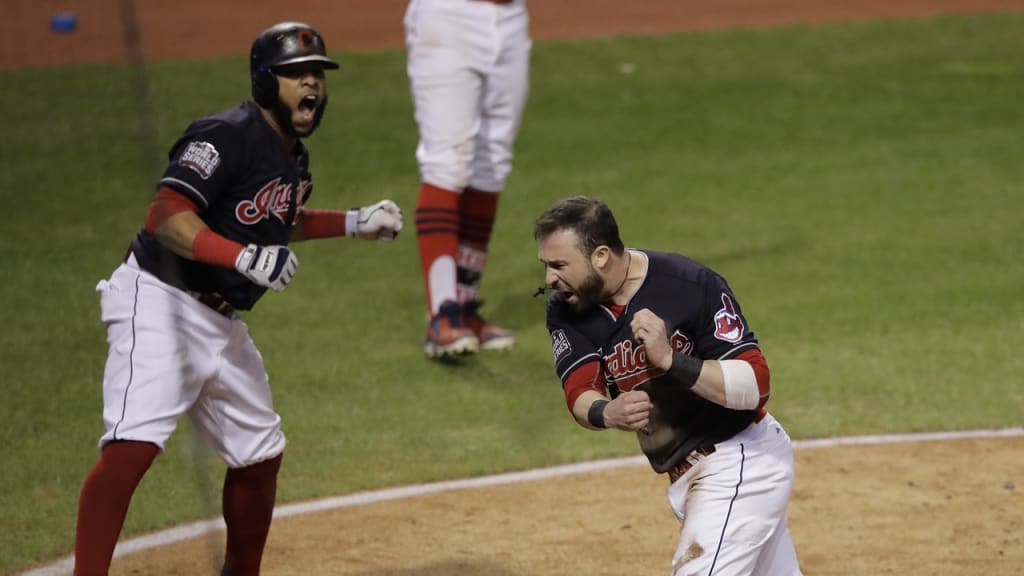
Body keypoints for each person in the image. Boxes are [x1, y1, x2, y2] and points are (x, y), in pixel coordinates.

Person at [73, 22, 403, 576]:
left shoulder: (292, 158)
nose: (313, 86)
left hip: (219, 321)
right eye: (297, 74)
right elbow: (166, 213)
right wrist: (240, 257)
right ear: (264, 80)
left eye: (319, 74)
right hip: (161, 302)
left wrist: (353, 222)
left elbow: (275, 220)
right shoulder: (224, 135)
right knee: (133, 445)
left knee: (259, 451)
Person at [533, 196, 802, 576]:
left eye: (559, 265)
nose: (549, 279)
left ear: (600, 256)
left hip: (740, 461)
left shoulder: (687, 284)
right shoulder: (566, 307)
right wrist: (605, 412)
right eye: (545, 266)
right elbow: (579, 389)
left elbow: (754, 384)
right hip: (688, 474)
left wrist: (670, 360)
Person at [403, 0, 531, 358]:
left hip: (510, 16)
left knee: (491, 166)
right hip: (449, 14)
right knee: (446, 162)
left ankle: (465, 306)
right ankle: (442, 314)